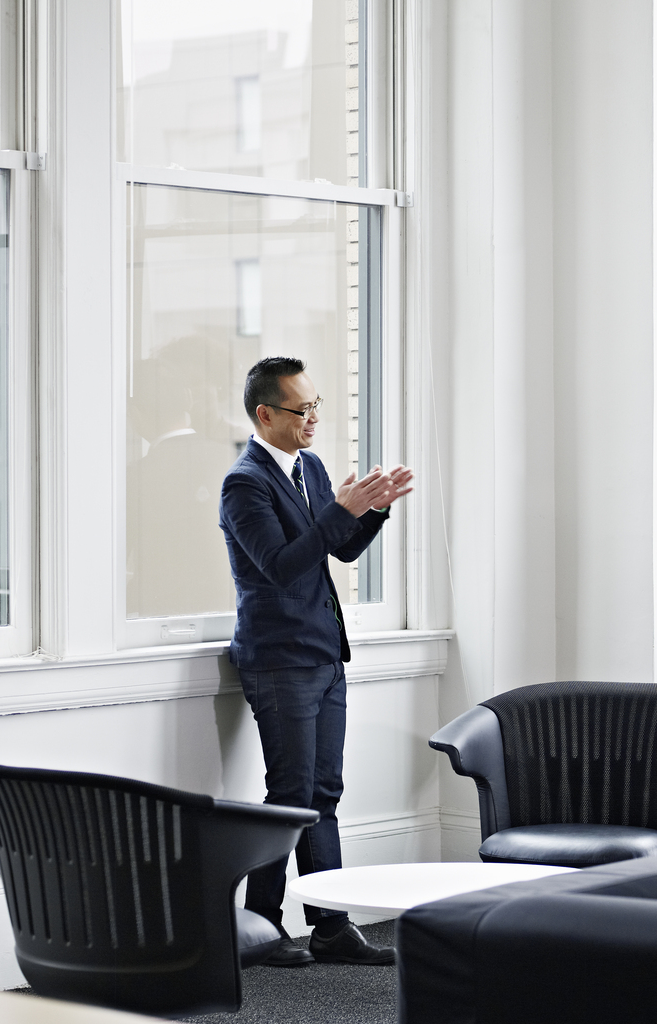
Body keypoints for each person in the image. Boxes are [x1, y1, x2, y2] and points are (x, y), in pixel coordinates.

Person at [220, 356, 414, 966]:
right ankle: (262, 926)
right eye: (302, 410)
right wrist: (340, 512)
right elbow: (281, 566)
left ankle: (330, 927)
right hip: (279, 660)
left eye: (316, 407)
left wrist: (372, 509)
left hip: (325, 655)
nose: (312, 420)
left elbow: (341, 551)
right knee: (291, 792)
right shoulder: (244, 483)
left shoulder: (310, 467)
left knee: (323, 793)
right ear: (265, 414)